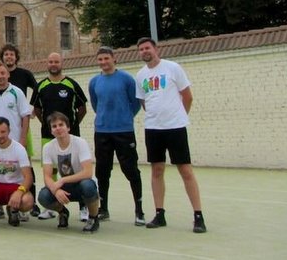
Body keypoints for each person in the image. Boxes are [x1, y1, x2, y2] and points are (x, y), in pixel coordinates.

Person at [136, 37, 206, 233]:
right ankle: (159, 214)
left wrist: (179, 116)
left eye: (147, 48)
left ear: (155, 49)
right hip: (153, 129)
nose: (144, 51)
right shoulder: (140, 76)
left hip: (175, 128)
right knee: (157, 170)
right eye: (141, 49)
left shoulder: (173, 68)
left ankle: (198, 216)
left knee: (185, 170)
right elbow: (144, 102)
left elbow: (188, 96)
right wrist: (156, 117)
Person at [88, 46, 145, 225]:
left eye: (106, 58)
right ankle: (103, 208)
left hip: (124, 132)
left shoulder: (127, 79)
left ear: (114, 59)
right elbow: (96, 105)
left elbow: (135, 104)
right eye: (100, 59)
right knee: (102, 172)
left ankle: (139, 210)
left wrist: (124, 118)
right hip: (102, 132)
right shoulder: (94, 82)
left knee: (131, 170)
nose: (104, 62)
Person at [32, 52, 89, 221]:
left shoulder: (71, 84)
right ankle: (54, 208)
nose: (53, 64)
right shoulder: (41, 86)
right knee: (51, 171)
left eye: (56, 61)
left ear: (61, 63)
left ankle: (83, 206)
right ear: (47, 64)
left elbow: (82, 108)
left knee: (76, 169)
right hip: (48, 137)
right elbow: (36, 109)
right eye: (50, 61)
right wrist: (49, 127)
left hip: (69, 137)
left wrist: (70, 127)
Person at [0, 62, 33, 221]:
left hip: (15, 141)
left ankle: (19, 206)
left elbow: (25, 116)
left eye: (3, 73)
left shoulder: (17, 92)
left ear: (8, 75)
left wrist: (23, 138)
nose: (0, 76)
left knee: (20, 174)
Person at [37, 112, 100, 233]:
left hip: (81, 184)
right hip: (65, 187)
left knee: (88, 186)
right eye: (54, 126)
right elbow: (47, 176)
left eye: (61, 124)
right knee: (43, 196)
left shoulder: (80, 143)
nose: (58, 128)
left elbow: (88, 172)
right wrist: (56, 190)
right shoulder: (48, 147)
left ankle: (93, 217)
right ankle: (63, 212)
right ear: (51, 131)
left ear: (68, 127)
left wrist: (62, 180)